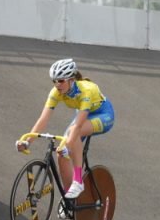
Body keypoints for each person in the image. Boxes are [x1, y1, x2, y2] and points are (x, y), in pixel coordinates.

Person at [16, 58, 114, 199]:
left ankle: (78, 180)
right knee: (61, 154)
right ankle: (69, 199)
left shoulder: (86, 90)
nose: (57, 85)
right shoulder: (56, 92)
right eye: (54, 81)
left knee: (72, 135)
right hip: (82, 115)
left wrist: (68, 145)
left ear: (71, 80)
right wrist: (27, 142)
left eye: (61, 81)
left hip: (103, 115)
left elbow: (78, 126)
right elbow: (43, 120)